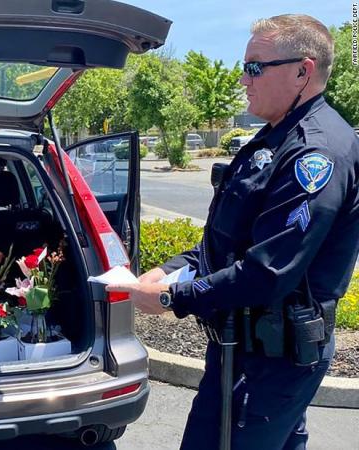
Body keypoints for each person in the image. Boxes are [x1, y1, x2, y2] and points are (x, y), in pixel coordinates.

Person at [108, 15, 359, 449]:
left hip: (272, 361)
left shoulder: (314, 153)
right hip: (243, 350)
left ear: (304, 70)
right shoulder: (273, 139)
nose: (242, 79)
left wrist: (173, 298)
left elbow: (267, 273)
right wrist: (170, 269)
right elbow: (226, 242)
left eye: (255, 67)